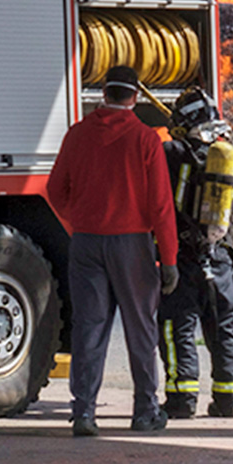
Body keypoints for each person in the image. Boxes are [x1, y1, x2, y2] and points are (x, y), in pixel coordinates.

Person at [47, 62, 179, 437]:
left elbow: (56, 191)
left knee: (89, 328)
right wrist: (168, 259)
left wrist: (79, 220)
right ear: (135, 97)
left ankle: (84, 414)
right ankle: (144, 412)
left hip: (86, 243)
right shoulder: (146, 139)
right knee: (141, 329)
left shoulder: (77, 135)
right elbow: (161, 205)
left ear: (103, 94)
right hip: (133, 246)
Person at [159, 86, 233, 419]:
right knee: (222, 327)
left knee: (176, 326)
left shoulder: (173, 152)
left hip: (182, 255)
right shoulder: (223, 155)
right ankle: (228, 400)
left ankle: (182, 400)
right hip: (219, 257)